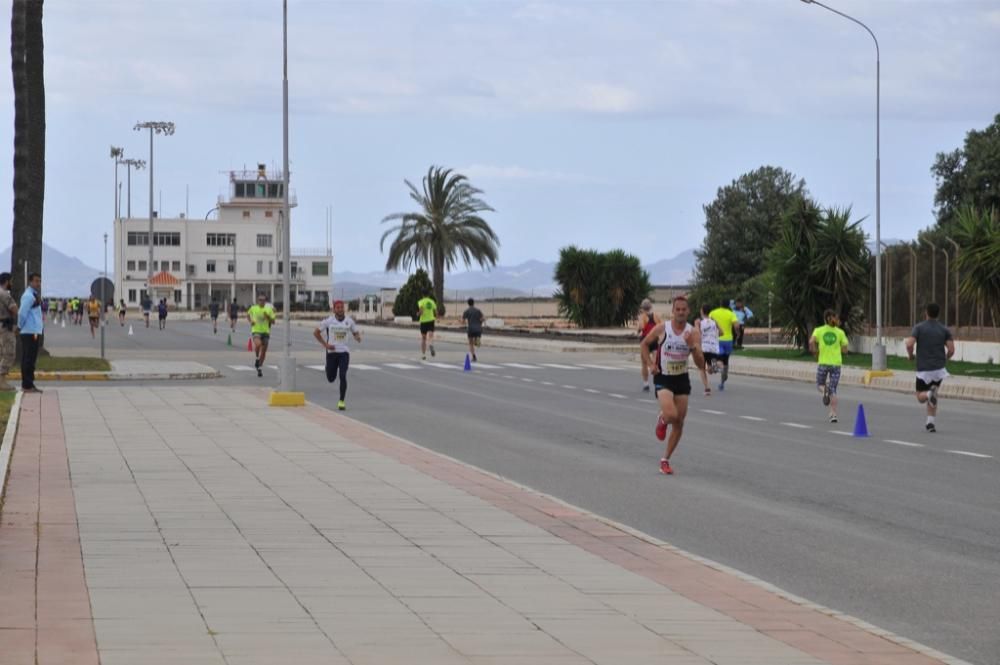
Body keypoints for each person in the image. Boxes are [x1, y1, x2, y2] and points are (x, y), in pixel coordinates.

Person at [640, 295, 705, 475]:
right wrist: (650, 365)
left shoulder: (693, 333)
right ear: (673, 311)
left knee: (679, 422)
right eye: (678, 309)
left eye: (684, 309)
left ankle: (665, 460)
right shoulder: (663, 329)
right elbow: (644, 345)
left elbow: (701, 364)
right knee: (671, 414)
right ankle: (662, 419)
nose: (681, 312)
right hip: (663, 377)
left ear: (688, 311)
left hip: (681, 378)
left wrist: (692, 347)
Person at [905, 303, 954, 433]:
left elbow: (909, 344)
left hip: (924, 370)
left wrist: (910, 355)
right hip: (939, 370)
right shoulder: (944, 330)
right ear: (938, 314)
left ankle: (928, 394)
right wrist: (946, 359)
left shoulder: (919, 328)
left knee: (921, 397)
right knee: (934, 394)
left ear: (926, 312)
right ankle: (930, 423)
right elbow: (951, 350)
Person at [314, 299, 362, 411]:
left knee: (342, 375)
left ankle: (341, 401)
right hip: (331, 353)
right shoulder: (328, 321)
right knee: (331, 378)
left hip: (344, 353)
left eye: (342, 307)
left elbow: (355, 332)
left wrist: (357, 337)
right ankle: (327, 368)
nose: (340, 309)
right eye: (338, 307)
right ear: (334, 309)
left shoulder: (349, 321)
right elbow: (316, 332)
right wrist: (326, 345)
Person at [809, 309, 849, 423]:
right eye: (835, 317)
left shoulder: (819, 330)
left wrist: (815, 353)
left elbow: (811, 342)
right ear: (831, 318)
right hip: (836, 364)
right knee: (834, 390)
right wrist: (838, 350)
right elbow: (845, 350)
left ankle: (824, 390)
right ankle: (833, 414)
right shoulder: (840, 332)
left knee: (819, 384)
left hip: (823, 362)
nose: (837, 319)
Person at [18, 272, 43, 393]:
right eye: (36, 281)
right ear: (30, 282)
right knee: (28, 358)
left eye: (39, 281)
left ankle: (29, 383)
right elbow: (22, 313)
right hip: (29, 331)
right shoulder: (28, 296)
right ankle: (27, 385)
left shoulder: (34, 294)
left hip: (34, 330)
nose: (38, 283)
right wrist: (19, 326)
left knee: (31, 358)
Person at [709, 299, 739, 391]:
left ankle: (718, 367)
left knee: (718, 359)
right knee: (726, 361)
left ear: (720, 304)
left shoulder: (713, 313)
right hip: (728, 340)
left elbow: (708, 323)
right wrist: (737, 334)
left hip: (717, 339)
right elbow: (736, 325)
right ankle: (722, 382)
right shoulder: (731, 313)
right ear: (728, 305)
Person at [247, 293, 276, 378]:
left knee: (264, 351)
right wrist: (251, 321)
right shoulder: (253, 308)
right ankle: (256, 358)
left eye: (263, 300)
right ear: (257, 300)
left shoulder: (269, 309)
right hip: (256, 330)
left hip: (266, 331)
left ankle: (259, 367)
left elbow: (273, 322)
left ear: (265, 301)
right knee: (258, 344)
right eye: (260, 300)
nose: (261, 302)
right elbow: (248, 315)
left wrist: (268, 317)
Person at [0, 273, 20, 391]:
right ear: (7, 281)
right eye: (11, 281)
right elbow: (15, 309)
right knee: (9, 353)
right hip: (5, 326)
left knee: (1, 353)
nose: (12, 284)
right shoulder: (4, 294)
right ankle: (1, 381)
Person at [637, 298, 661, 392]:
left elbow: (641, 327)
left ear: (642, 308)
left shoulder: (642, 316)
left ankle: (646, 384)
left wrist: (638, 330)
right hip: (654, 340)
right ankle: (657, 383)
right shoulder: (656, 316)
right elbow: (661, 326)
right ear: (650, 306)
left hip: (645, 342)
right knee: (655, 362)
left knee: (644, 363)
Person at [697, 304, 721, 397]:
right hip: (714, 347)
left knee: (702, 368)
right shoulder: (714, 322)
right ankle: (714, 366)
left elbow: (698, 335)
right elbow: (721, 332)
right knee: (710, 370)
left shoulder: (700, 323)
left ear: (702, 311)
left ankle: (707, 388)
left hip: (704, 347)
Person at [462, 297, 485, 362]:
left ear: (468, 303)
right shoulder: (478, 310)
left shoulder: (466, 311)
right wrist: (480, 321)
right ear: (473, 303)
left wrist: (460, 321)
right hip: (478, 328)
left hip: (471, 329)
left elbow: (463, 322)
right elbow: (483, 318)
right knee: (476, 340)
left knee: (470, 343)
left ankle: (473, 356)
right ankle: (477, 340)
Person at [416, 292, 437, 360]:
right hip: (431, 320)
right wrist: (435, 317)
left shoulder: (421, 302)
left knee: (423, 338)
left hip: (423, 321)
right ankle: (431, 344)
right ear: (428, 295)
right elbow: (435, 312)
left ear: (423, 295)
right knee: (430, 335)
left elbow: (421, 311)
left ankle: (423, 355)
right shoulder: (432, 301)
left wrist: (418, 314)